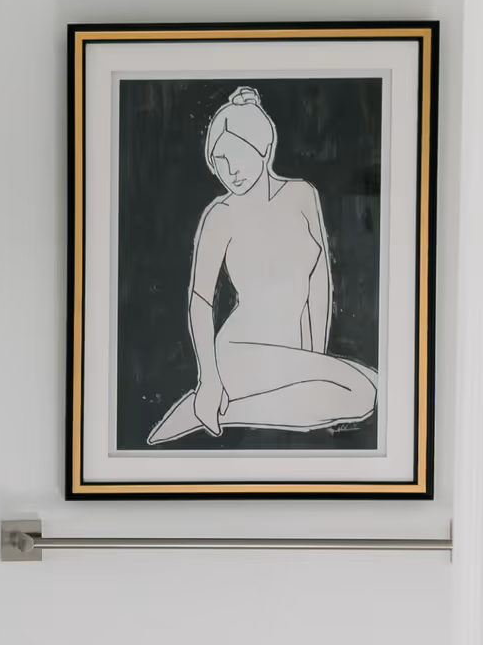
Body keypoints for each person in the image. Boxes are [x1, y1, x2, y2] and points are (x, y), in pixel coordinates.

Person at [147, 86, 377, 444]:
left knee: (375, 388)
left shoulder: (303, 195)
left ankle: (213, 411)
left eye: (237, 155)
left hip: (289, 355)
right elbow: (200, 300)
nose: (229, 170)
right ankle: (211, 400)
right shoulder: (219, 216)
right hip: (239, 355)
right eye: (219, 160)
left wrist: (313, 356)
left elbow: (319, 281)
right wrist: (209, 378)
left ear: (265, 148)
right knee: (363, 393)